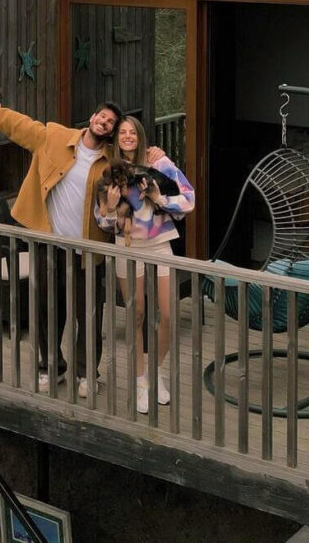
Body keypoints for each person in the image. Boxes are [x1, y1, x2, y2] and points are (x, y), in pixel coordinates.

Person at [0, 88, 162, 398]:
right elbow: (12, 123)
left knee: (88, 314)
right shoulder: (53, 137)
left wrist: (158, 154)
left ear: (112, 131)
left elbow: (137, 155)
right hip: (50, 244)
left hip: (88, 251)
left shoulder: (112, 161)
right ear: (92, 118)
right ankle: (52, 366)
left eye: (111, 122)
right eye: (103, 117)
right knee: (48, 307)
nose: (106, 123)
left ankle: (87, 372)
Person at [94, 115, 194, 414]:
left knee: (168, 314)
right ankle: (140, 382)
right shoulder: (109, 170)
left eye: (131, 132)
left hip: (160, 243)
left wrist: (158, 197)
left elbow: (189, 199)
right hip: (127, 247)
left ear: (139, 136)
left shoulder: (159, 163)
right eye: (121, 132)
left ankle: (155, 372)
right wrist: (111, 210)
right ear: (116, 138)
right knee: (135, 315)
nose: (127, 137)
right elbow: (102, 220)